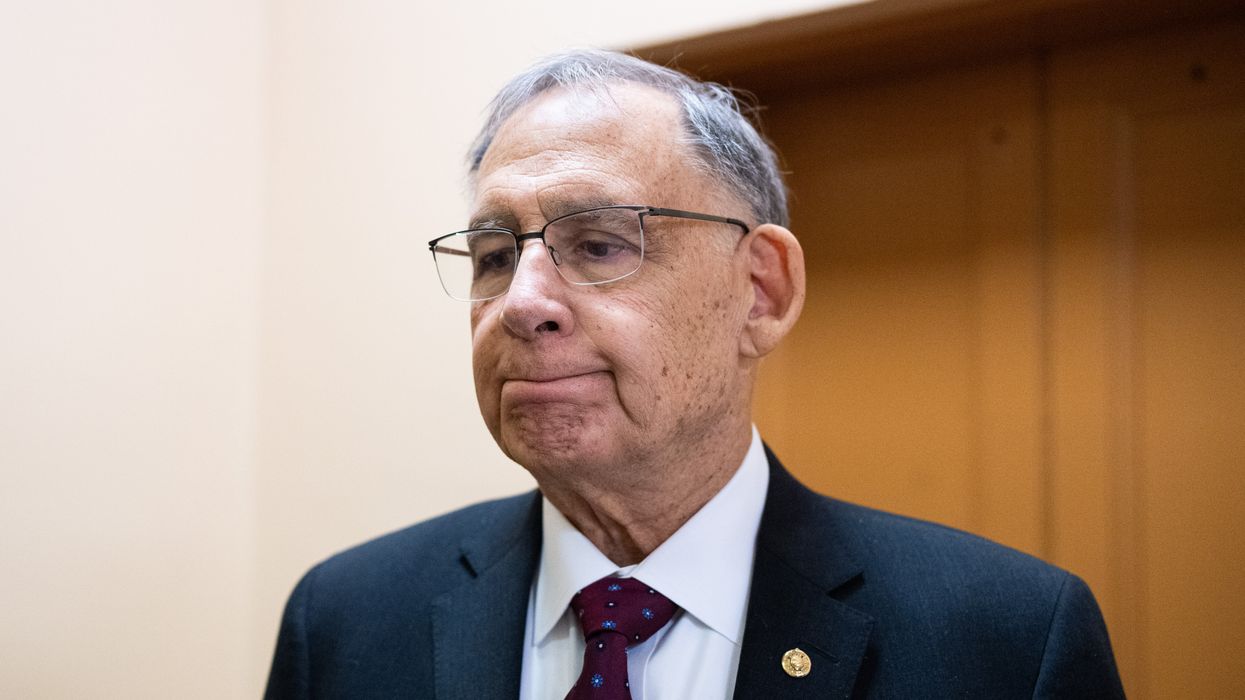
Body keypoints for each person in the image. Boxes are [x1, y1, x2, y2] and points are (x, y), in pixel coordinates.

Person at [265, 49, 1124, 699]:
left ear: (760, 292)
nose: (522, 302)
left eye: (598, 244)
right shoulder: (344, 620)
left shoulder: (1006, 641)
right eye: (494, 255)